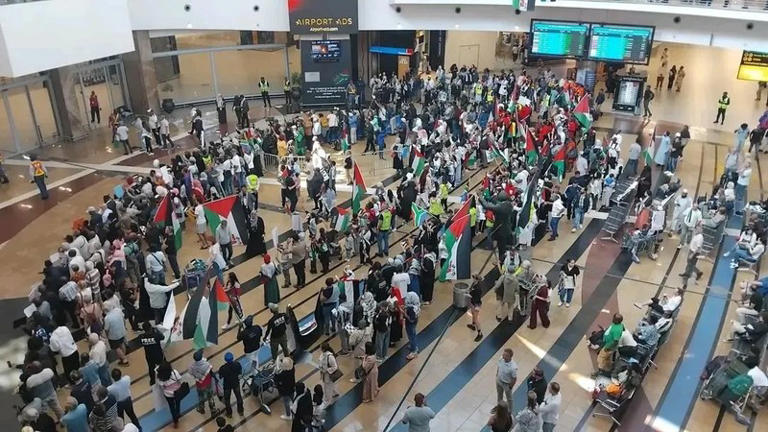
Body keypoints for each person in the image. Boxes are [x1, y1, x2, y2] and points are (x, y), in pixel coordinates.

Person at [189, 350, 217, 417]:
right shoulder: (206, 364)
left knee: (201, 397)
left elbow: (190, 373)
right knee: (210, 397)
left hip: (199, 385)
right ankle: (213, 410)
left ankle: (201, 409)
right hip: (208, 383)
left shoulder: (192, 366)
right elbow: (211, 371)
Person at [156, 361, 183, 427]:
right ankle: (178, 413)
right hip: (177, 392)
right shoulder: (174, 372)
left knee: (172, 407)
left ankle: (175, 420)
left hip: (168, 395)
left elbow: (161, 386)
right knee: (178, 403)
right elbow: (180, 379)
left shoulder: (160, 378)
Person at [219, 352, 244, 417]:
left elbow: (220, 376)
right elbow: (240, 372)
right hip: (235, 383)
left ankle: (229, 413)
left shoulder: (223, 368)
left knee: (227, 399)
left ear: (225, 359)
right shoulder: (237, 364)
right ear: (232, 358)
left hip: (227, 385)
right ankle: (241, 411)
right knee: (238, 397)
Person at [275, 355, 296, 420]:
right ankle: (296, 409)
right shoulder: (292, 369)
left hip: (285, 391)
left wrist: (276, 371)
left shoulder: (282, 375)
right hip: (292, 387)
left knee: (286, 402)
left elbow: (276, 379)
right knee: (293, 399)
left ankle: (288, 415)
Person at [467, 273, 484, 341]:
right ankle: (473, 325)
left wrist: (468, 295)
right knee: (473, 314)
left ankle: (480, 333)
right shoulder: (475, 284)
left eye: (473, 278)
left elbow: (475, 297)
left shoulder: (477, 288)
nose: (472, 279)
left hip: (476, 304)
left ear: (476, 279)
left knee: (476, 319)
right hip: (473, 303)